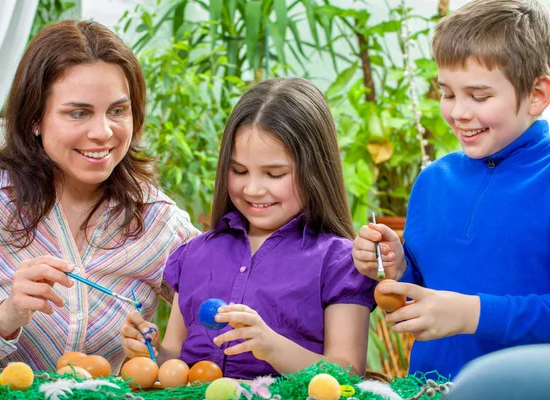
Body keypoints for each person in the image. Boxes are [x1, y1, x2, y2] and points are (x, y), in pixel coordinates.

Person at [0, 20, 198, 373]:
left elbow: (225, 308)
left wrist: (159, 347)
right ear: (35, 118)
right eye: (78, 113)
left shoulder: (158, 219)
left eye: (117, 110)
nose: (103, 132)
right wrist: (6, 315)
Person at [120, 77, 377, 379]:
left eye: (274, 174)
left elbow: (347, 372)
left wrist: (272, 347)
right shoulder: (195, 254)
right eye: (239, 170)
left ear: (315, 170)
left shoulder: (340, 263)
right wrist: (150, 350)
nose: (253, 189)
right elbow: (174, 358)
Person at [352, 0, 550, 380]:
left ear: (538, 94)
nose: (459, 112)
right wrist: (395, 265)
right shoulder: (433, 181)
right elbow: (424, 291)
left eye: (479, 96)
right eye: (447, 93)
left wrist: (473, 314)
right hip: (428, 388)